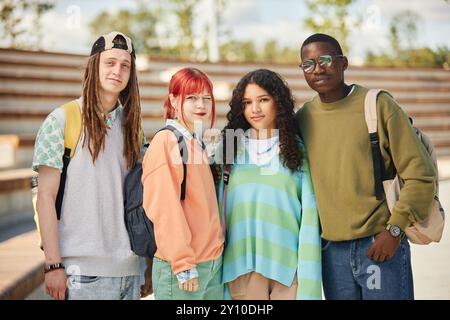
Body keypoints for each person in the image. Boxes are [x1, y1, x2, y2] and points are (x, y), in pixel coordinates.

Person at [296, 33, 436, 300]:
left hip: (380, 244)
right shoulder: (303, 119)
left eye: (325, 60)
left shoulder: (379, 105)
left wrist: (394, 231)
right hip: (331, 253)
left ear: (343, 63)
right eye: (308, 64)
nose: (317, 69)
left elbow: (421, 174)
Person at [32, 31, 148, 300]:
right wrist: (53, 264)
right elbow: (45, 198)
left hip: (130, 271)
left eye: (125, 65)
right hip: (82, 274)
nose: (117, 70)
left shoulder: (134, 130)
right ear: (94, 65)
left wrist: (148, 265)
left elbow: (142, 200)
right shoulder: (61, 121)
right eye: (110, 62)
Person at [216, 69, 322, 300]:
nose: (254, 109)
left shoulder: (297, 151)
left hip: (287, 272)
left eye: (263, 100)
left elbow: (310, 221)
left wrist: (309, 283)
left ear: (279, 102)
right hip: (240, 271)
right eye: (247, 102)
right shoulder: (227, 151)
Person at [141, 67, 224, 300]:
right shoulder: (166, 141)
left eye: (207, 98)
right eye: (192, 98)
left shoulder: (195, 141)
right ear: (174, 100)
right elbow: (164, 208)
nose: (201, 105)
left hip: (211, 263)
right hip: (183, 269)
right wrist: (183, 264)